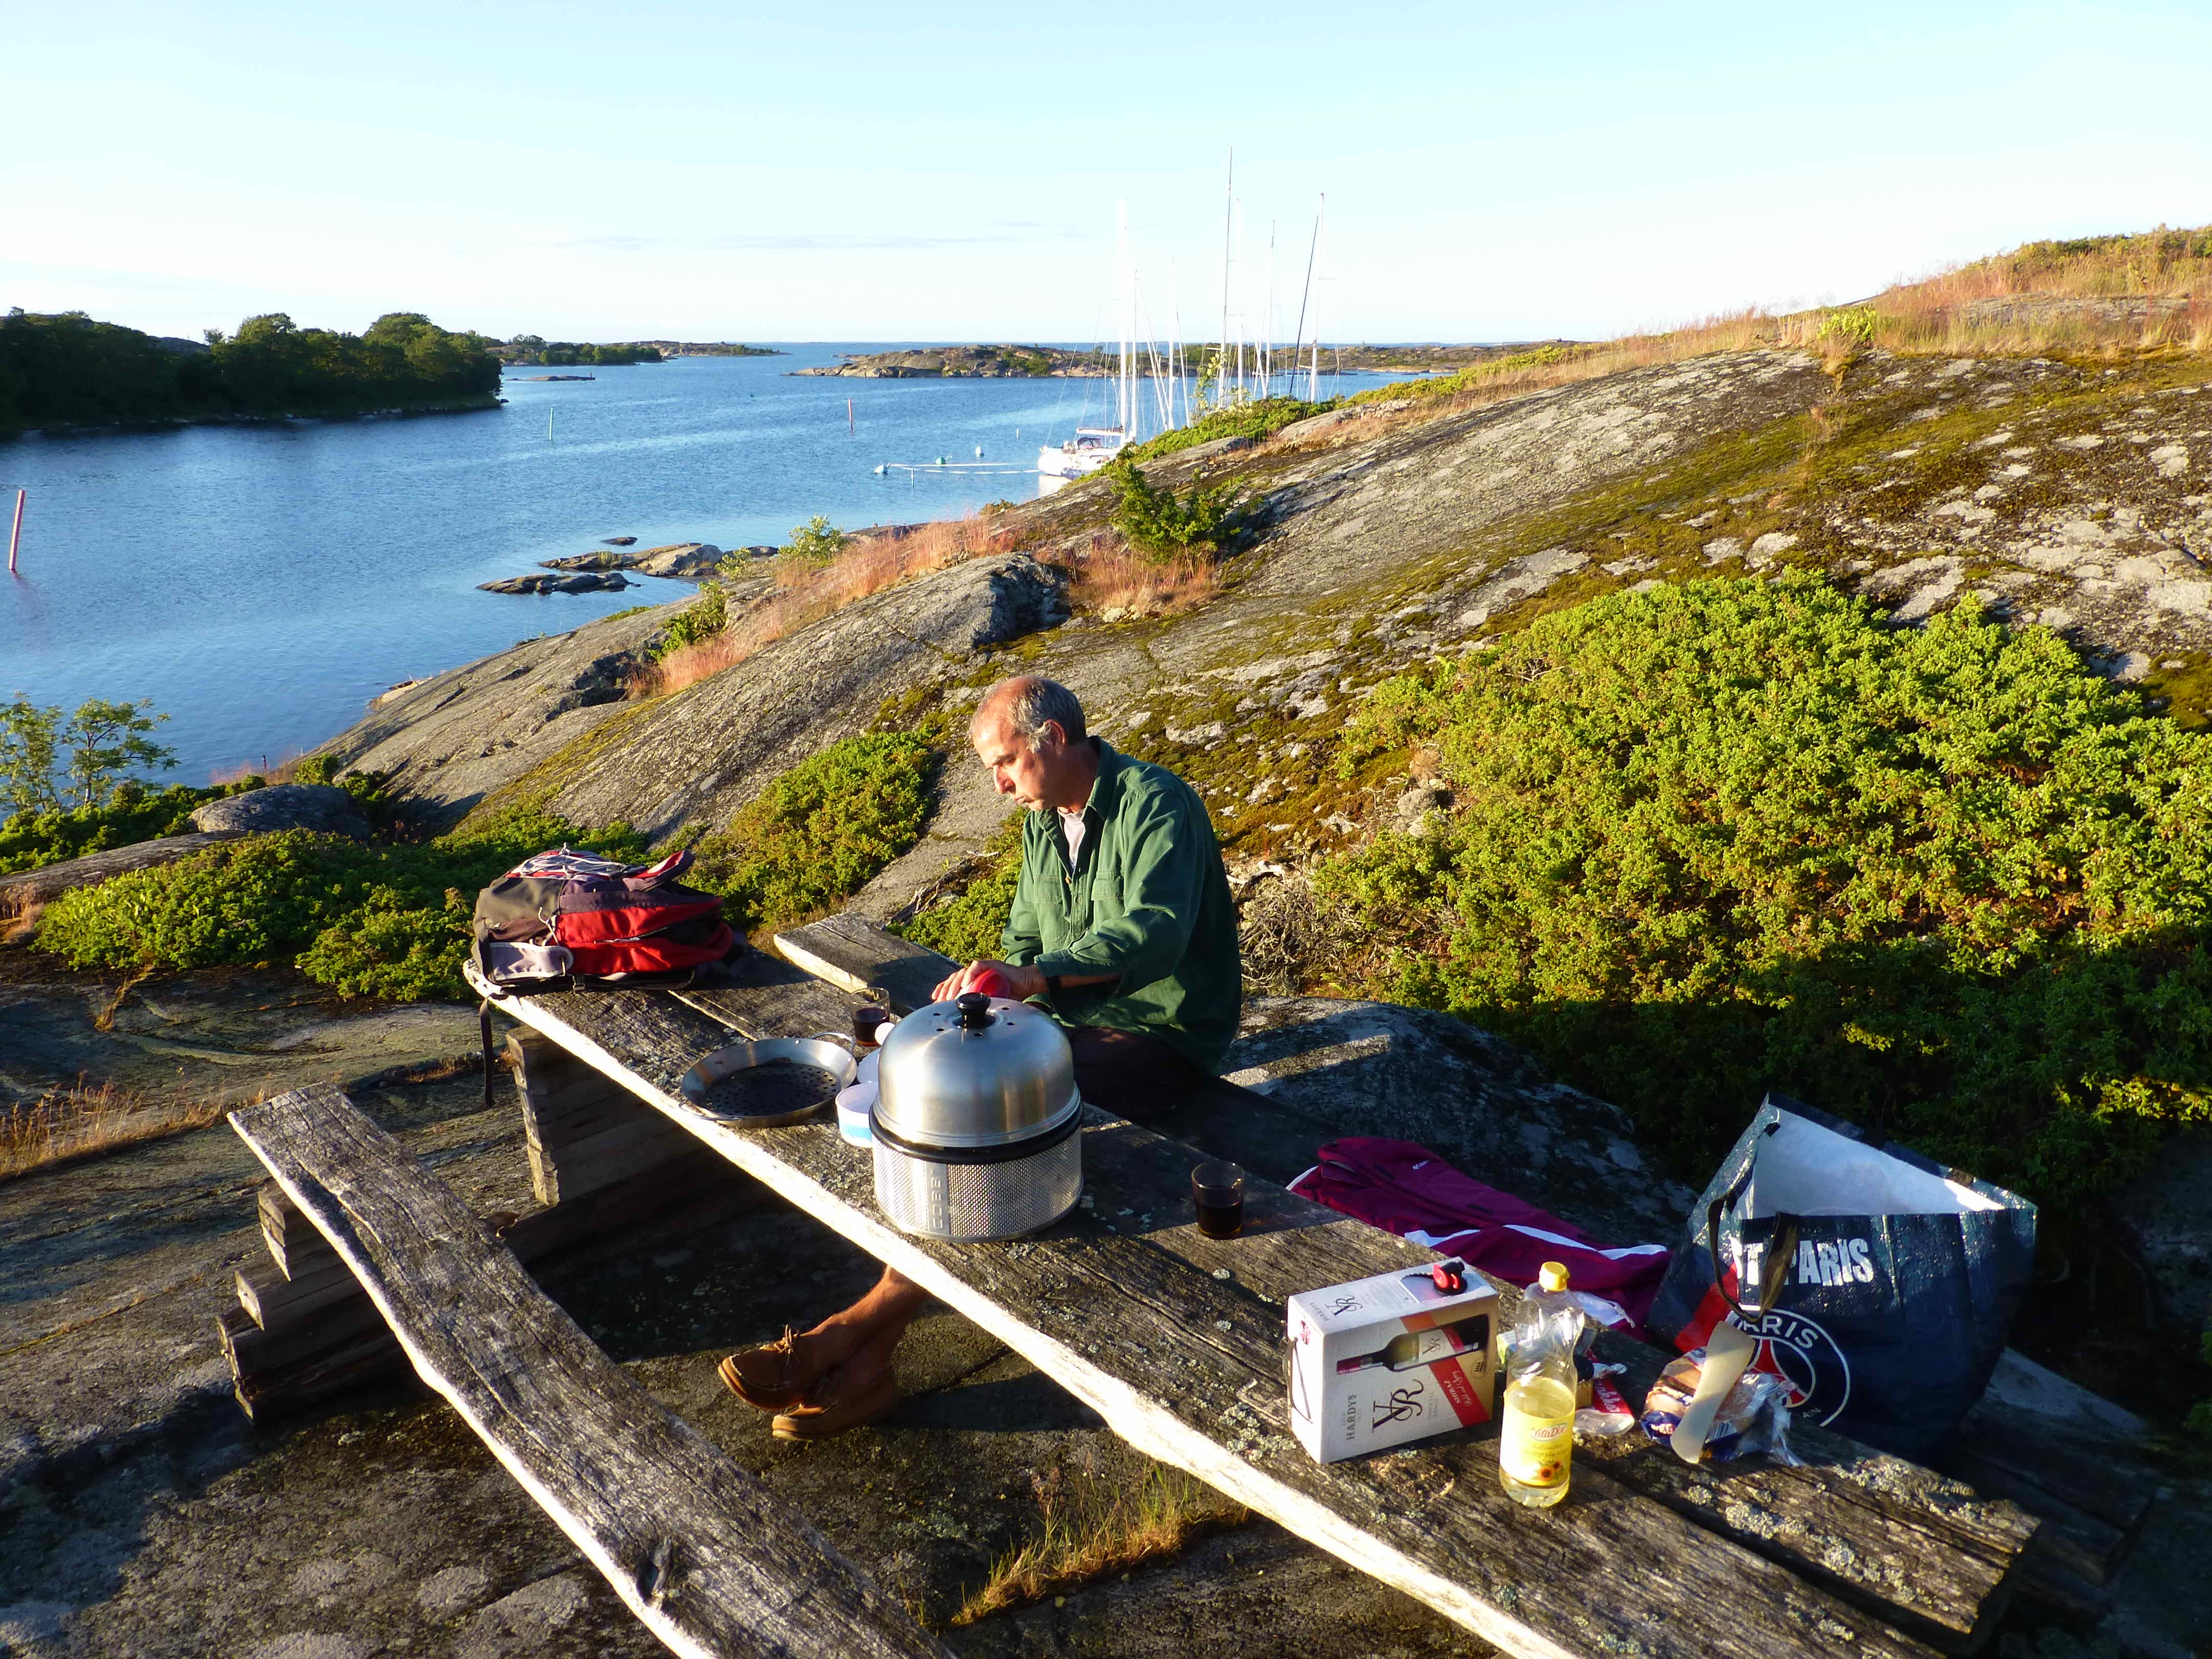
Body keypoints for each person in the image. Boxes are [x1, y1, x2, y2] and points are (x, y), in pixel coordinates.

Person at [718, 674, 1241, 1438]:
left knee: (988, 1141)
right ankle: (866, 1362)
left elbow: (1153, 934)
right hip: (1060, 1018)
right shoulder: (1044, 819)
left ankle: (849, 1336)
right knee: (944, 1107)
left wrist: (1035, 979)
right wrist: (995, 981)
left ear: (1052, 739)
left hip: (1161, 1028)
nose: (997, 785)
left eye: (1004, 763)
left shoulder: (1157, 803)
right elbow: (1027, 932)